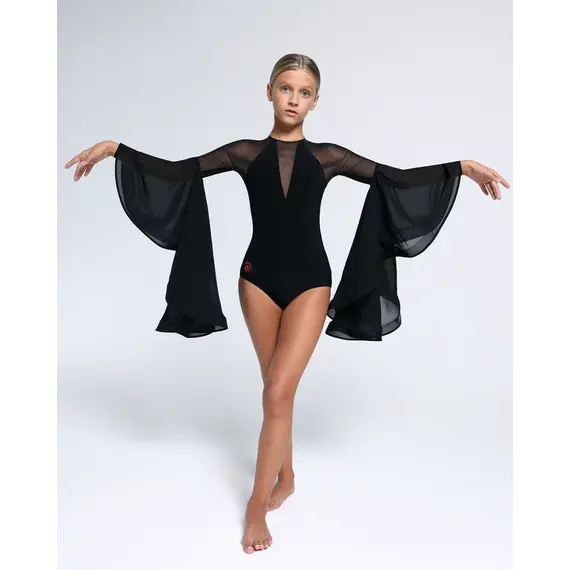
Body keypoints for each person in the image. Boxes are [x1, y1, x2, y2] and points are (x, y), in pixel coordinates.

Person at [64, 53, 510, 554]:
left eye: (304, 92)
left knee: (277, 391)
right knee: (276, 388)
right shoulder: (243, 153)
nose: (293, 99)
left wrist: (461, 168)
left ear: (315, 101)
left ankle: (256, 505)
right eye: (285, 88)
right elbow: (177, 172)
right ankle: (288, 476)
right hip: (256, 281)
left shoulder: (330, 157)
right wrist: (114, 149)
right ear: (269, 92)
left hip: (311, 283)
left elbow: (396, 179)